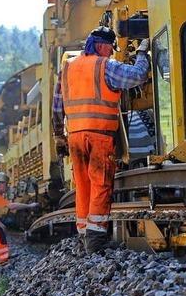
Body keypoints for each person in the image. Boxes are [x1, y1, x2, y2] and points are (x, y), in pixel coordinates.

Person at [52, 26, 149, 253]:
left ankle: (84, 234)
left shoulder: (67, 69)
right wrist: (143, 54)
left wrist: (59, 135)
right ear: (103, 45)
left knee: (83, 185)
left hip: (75, 137)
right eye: (111, 47)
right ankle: (95, 241)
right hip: (99, 135)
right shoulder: (105, 66)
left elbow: (57, 107)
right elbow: (137, 76)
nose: (111, 52)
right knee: (101, 183)